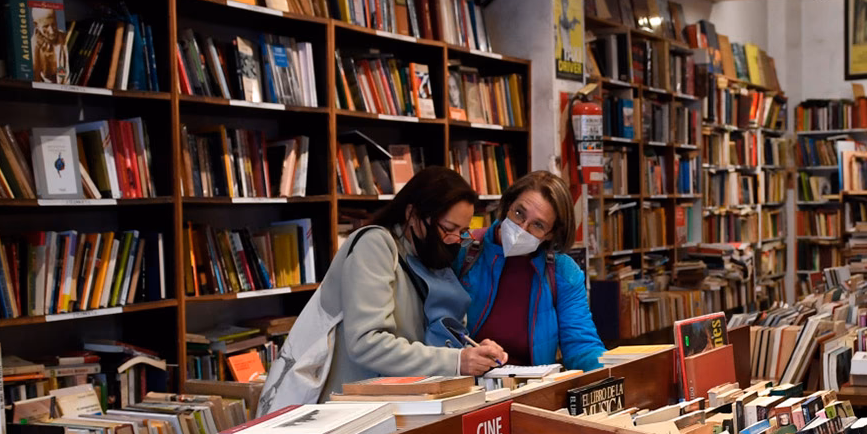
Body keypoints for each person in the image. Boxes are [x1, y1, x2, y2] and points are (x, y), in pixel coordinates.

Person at [257, 167, 508, 411]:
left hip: (400, 402)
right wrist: (457, 361)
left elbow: (428, 336)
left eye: (463, 232)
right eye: (448, 229)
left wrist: (471, 352)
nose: (455, 240)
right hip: (351, 410)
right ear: (413, 213)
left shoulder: (429, 255)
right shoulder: (375, 245)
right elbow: (367, 342)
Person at [460, 170, 607, 370]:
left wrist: (608, 373)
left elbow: (581, 345)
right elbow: (436, 328)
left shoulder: (563, 272)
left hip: (530, 388)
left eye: (538, 225)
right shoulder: (464, 249)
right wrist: (460, 356)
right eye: (519, 213)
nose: (522, 228)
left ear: (551, 234)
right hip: (466, 384)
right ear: (507, 206)